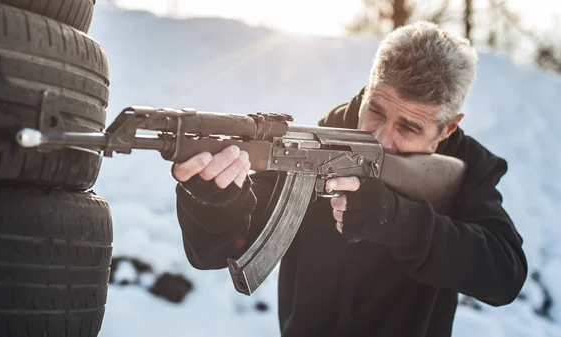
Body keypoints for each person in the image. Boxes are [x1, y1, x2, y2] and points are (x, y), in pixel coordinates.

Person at [171, 21, 528, 337]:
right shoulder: (319, 143)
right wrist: (215, 202)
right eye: (376, 111)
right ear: (368, 87)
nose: (382, 138)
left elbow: (504, 275)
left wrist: (397, 220)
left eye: (408, 127)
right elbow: (216, 251)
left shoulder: (464, 168)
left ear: (448, 127)